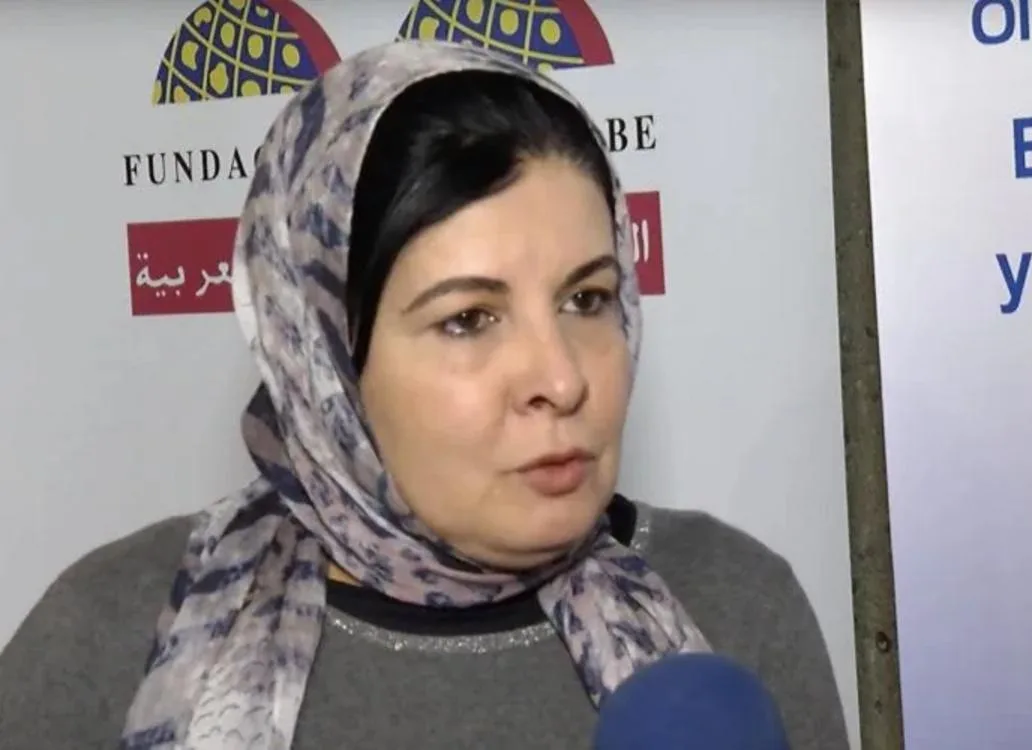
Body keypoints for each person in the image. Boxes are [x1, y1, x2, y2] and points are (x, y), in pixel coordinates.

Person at [0, 41, 849, 749]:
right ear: (326, 366)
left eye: (587, 299)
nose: (561, 380)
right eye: (468, 319)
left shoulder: (735, 606)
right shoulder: (108, 637)